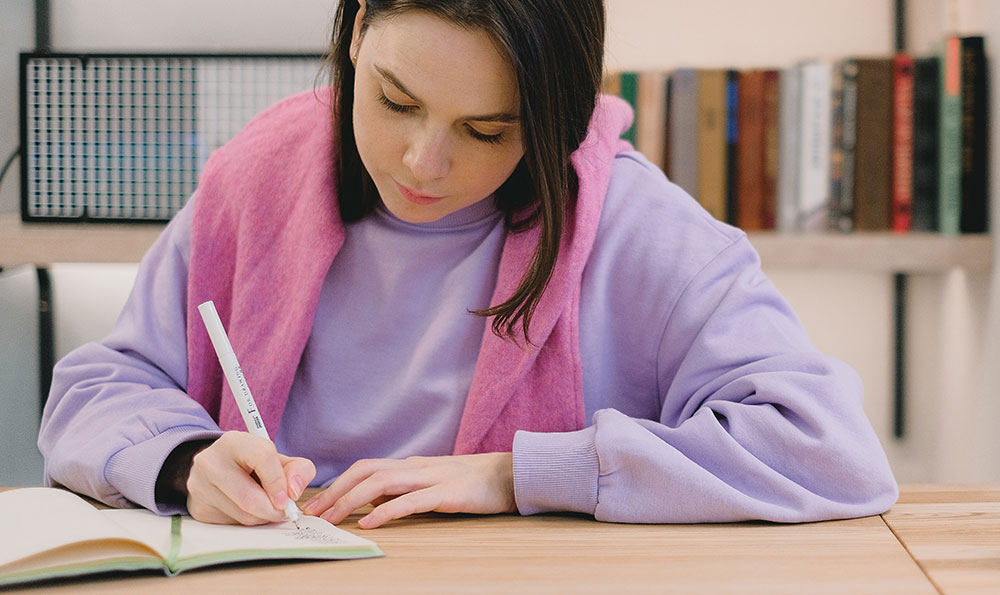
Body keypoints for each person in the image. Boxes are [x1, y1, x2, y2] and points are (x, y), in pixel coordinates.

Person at [38, 0, 898, 529]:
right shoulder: (255, 179)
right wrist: (186, 458)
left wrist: (523, 474)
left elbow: (829, 448)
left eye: (487, 131)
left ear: (553, 118)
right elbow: (97, 387)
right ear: (360, 25)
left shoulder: (634, 226)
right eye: (393, 101)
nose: (423, 162)